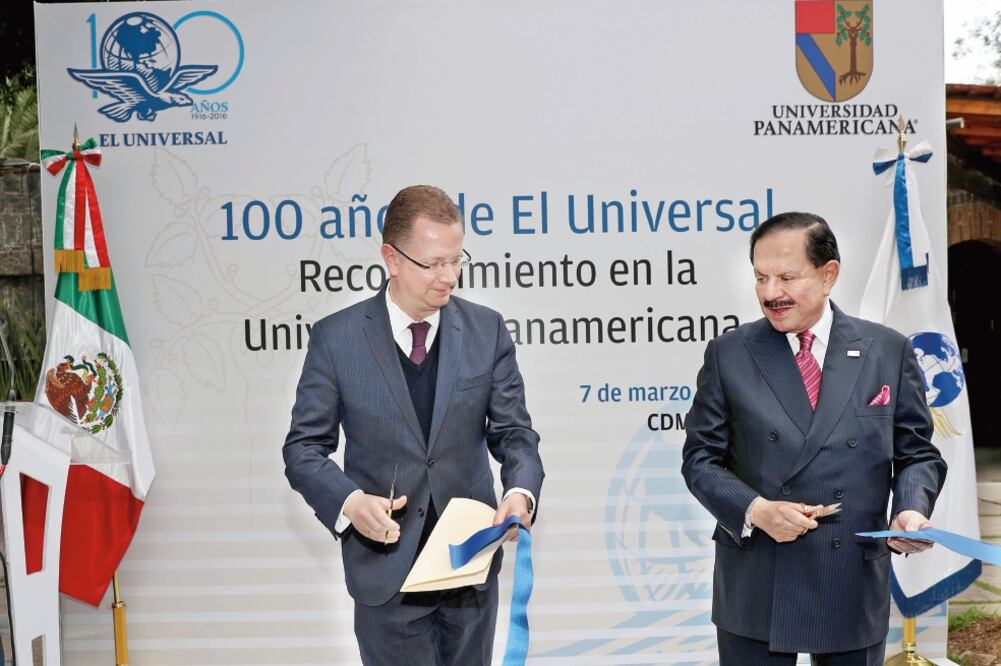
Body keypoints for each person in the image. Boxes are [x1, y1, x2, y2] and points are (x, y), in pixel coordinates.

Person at [283, 185, 543, 665]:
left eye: (456, 260)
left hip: (468, 571)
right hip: (385, 577)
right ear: (392, 258)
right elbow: (302, 450)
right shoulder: (337, 340)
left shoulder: (487, 331)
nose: (449, 277)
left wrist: (519, 492)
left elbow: (515, 434)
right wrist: (350, 503)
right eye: (433, 263)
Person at [681, 212, 946, 665]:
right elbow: (700, 460)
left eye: (787, 277)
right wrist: (756, 510)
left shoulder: (886, 350)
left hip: (850, 578)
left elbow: (917, 453)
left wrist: (910, 507)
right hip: (757, 580)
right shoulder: (730, 353)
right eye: (760, 277)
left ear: (829, 275)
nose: (770, 293)